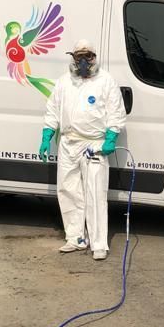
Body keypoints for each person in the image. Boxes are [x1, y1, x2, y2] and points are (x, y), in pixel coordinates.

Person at [39, 39, 127, 260]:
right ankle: (76, 238)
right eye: (79, 56)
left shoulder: (105, 81)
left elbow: (116, 111)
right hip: (68, 143)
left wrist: (111, 137)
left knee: (95, 193)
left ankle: (99, 244)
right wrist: (47, 135)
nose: (84, 61)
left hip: (94, 144)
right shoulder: (64, 82)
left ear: (94, 58)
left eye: (88, 56)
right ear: (73, 58)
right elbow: (52, 110)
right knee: (68, 190)